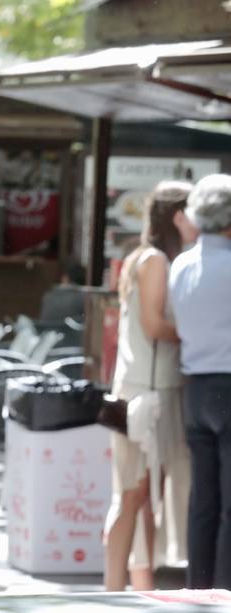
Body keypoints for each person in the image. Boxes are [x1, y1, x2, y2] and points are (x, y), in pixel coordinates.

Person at [103, 181, 196, 592]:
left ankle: (140, 590)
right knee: (134, 493)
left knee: (142, 495)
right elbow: (155, 325)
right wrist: (203, 331)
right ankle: (113, 589)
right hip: (148, 390)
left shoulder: (146, 256)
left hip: (146, 386)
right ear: (177, 216)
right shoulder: (156, 260)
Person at [171, 173, 231, 589]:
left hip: (195, 386)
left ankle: (199, 589)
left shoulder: (181, 263)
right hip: (228, 385)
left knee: (203, 501)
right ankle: (226, 595)